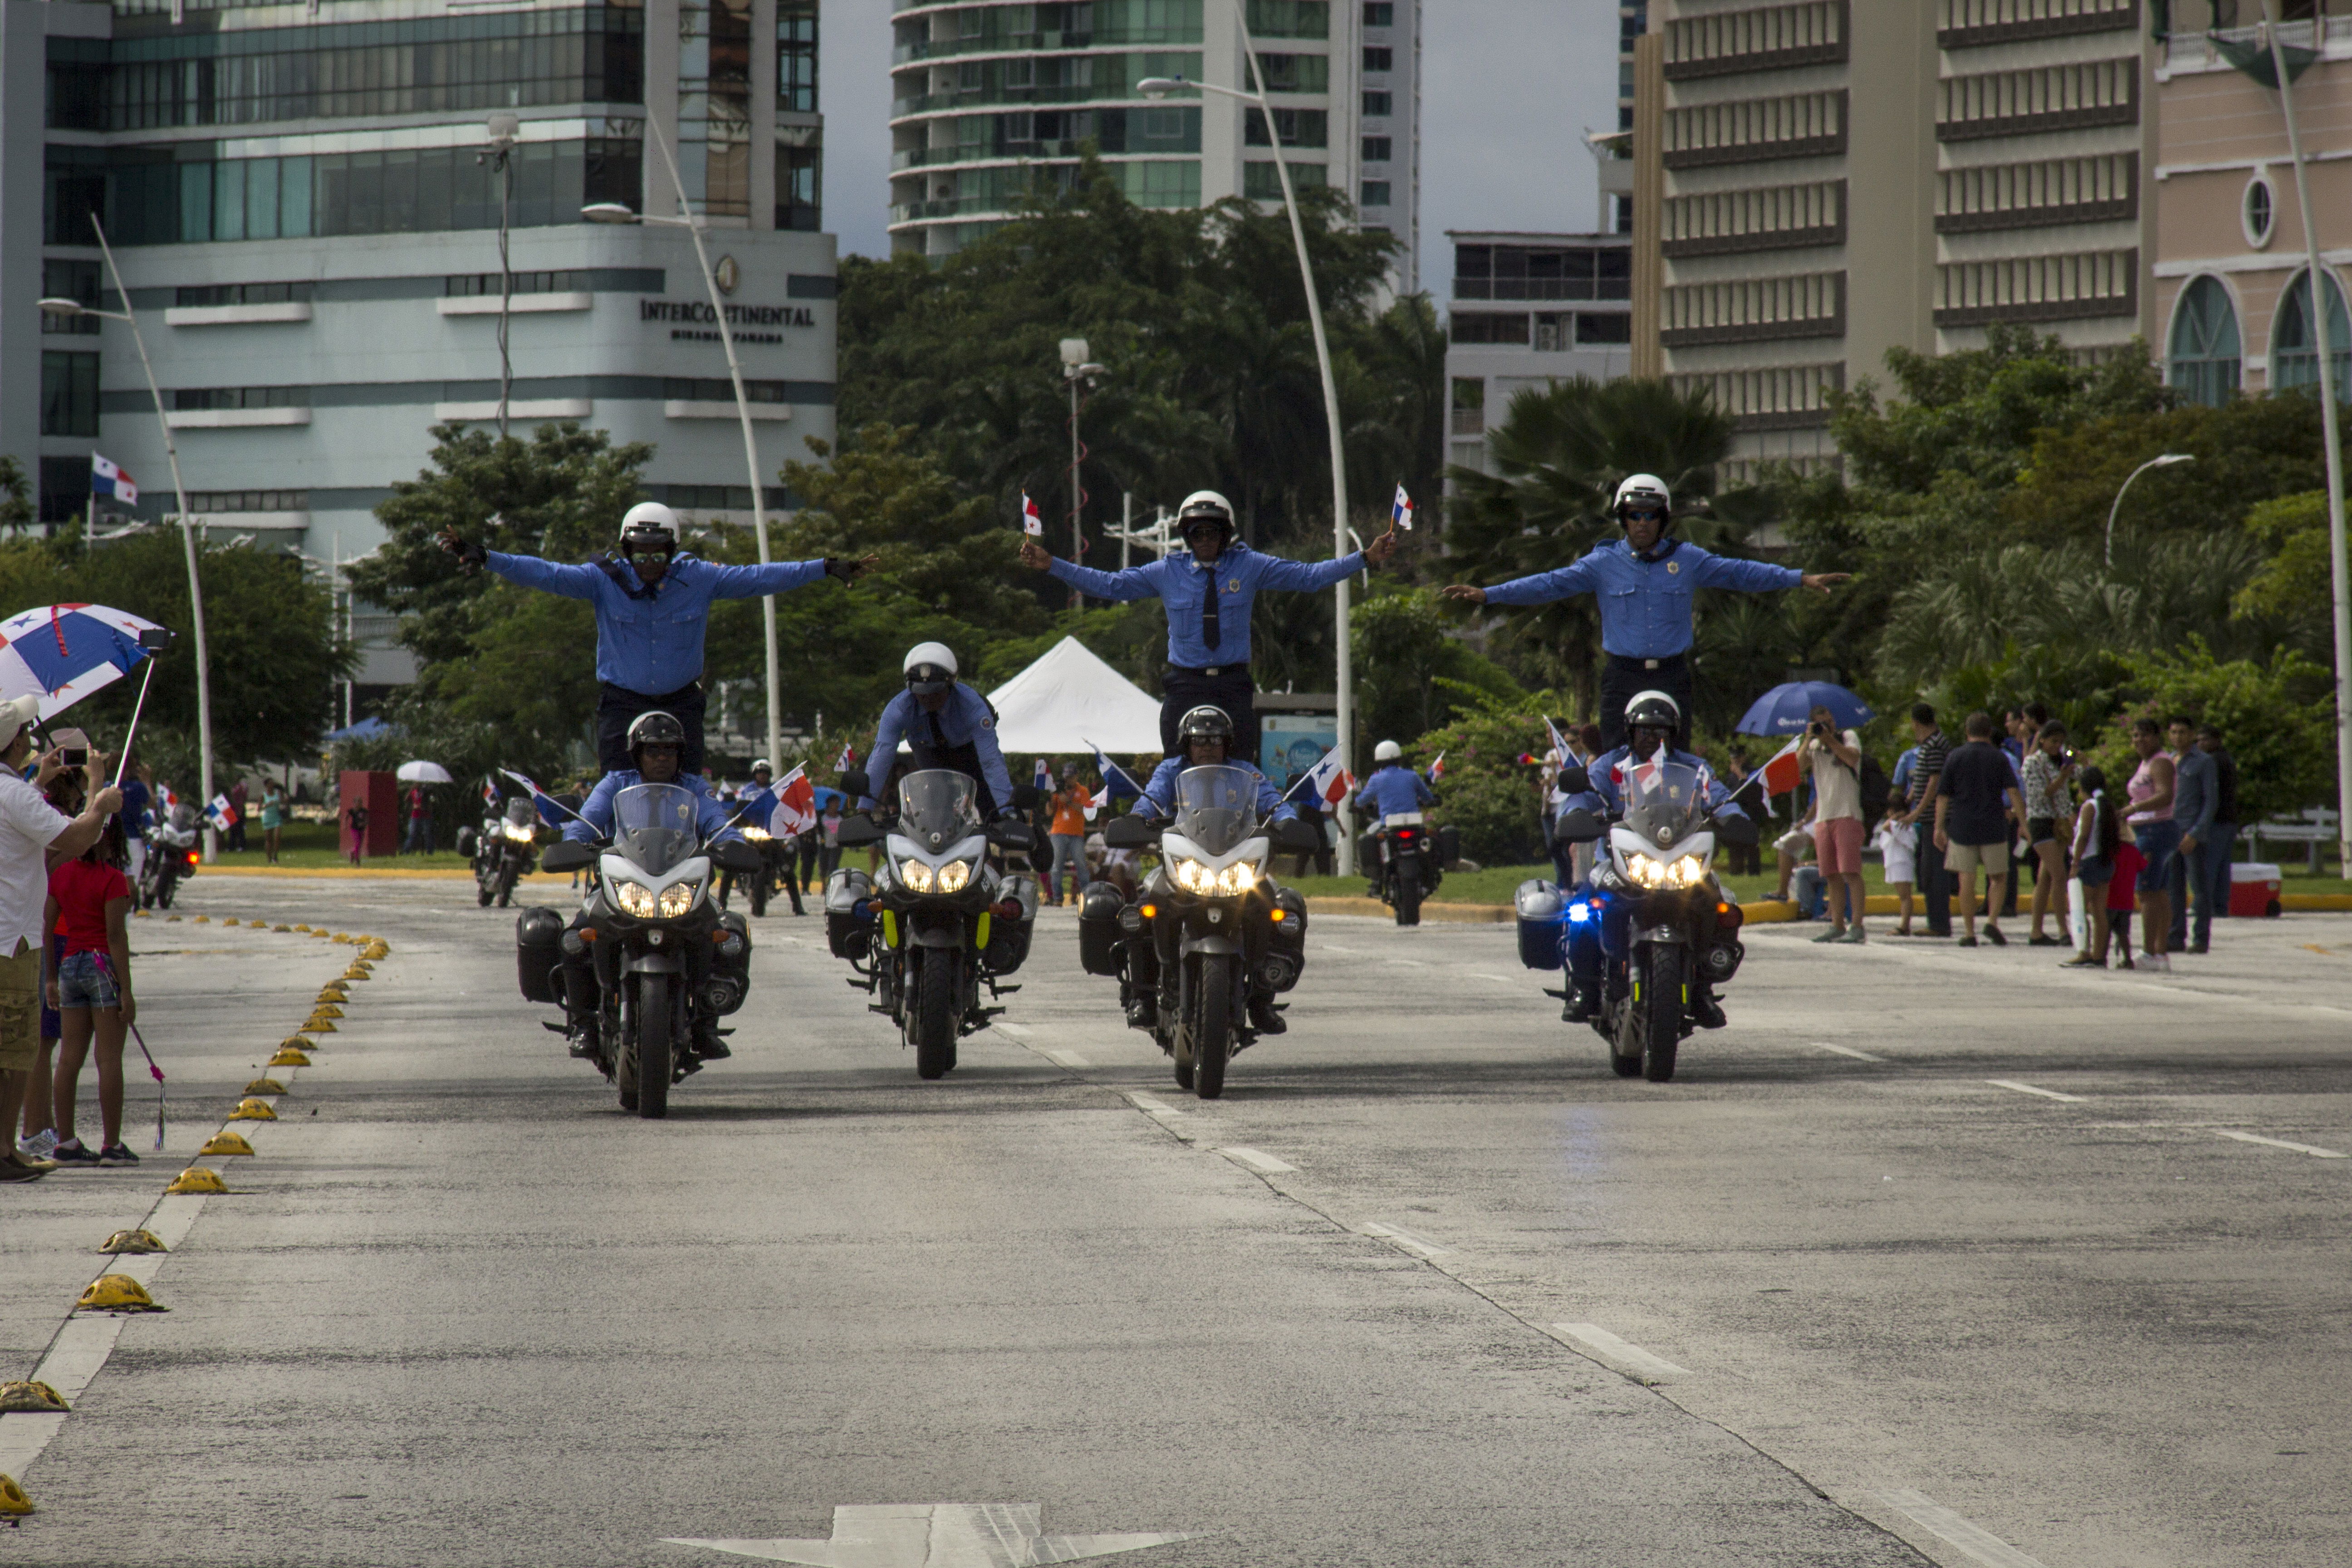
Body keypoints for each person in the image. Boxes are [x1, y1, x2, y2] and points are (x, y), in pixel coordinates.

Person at [441, 501, 876, 774]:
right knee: (615, 785)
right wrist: (487, 557)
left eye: (658, 554)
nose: (650, 563)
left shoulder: (700, 579)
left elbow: (759, 577)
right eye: (640, 554)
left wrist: (824, 567)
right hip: (622, 701)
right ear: (626, 551)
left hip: (681, 701)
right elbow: (545, 573)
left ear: (672, 551)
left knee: (689, 787)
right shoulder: (602, 580)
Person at [1441, 475, 1849, 749]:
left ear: (1662, 518)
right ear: (1623, 518)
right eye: (1634, 515)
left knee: (1680, 758)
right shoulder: (1601, 564)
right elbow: (1549, 583)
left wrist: (1798, 578)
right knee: (1615, 763)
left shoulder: (1688, 559)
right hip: (1622, 676)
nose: (1641, 524)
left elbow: (1740, 572)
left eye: (1650, 516)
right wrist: (1489, 594)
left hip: (1673, 672)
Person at [1021, 489, 1399, 757]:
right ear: (1186, 536)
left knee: (1243, 764)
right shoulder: (1166, 571)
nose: (1205, 539)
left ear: (1226, 534)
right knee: (1172, 761)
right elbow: (1109, 584)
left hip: (1233, 684)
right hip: (1184, 684)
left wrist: (1365, 557)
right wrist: (1051, 564)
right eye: (1197, 532)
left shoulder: (1249, 566)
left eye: (1213, 531)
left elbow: (1309, 576)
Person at [1556, 690, 1746, 1027]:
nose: (1652, 738)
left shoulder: (1694, 768)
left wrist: (1734, 817)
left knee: (1718, 902)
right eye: (1645, 730)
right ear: (1631, 731)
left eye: (1661, 731)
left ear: (1672, 733)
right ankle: (1584, 988)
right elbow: (1584, 795)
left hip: (1681, 857)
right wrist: (1575, 814)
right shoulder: (1612, 766)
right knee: (1583, 907)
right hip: (1623, 859)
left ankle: (1702, 988)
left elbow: (1719, 797)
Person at [0, 698, 123, 1184]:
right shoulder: (16, 796)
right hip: (14, 940)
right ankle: (4, 1150)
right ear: (14, 743)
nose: (33, 738)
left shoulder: (15, 792)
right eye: (26, 731)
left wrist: (38, 783)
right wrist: (98, 796)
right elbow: (75, 841)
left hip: (11, 936)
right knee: (14, 1052)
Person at [1122, 706, 1299, 1034]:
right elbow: (1152, 799)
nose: (1206, 746)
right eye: (1198, 739)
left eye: (1214, 739)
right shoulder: (1170, 770)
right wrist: (1138, 818)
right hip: (1186, 861)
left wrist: (1287, 820)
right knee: (1144, 906)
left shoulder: (1246, 772)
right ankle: (1142, 996)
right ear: (1185, 743)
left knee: (1281, 906)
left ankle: (1262, 998)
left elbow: (1272, 801)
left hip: (1235, 861)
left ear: (1227, 743)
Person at [44, 808, 136, 1167]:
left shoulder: (62, 875)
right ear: (110, 839)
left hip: (70, 965)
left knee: (68, 1059)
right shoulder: (114, 880)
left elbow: (49, 927)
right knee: (109, 1059)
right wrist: (126, 991)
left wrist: (51, 977)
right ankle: (111, 1144)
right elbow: (116, 936)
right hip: (102, 968)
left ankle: (66, 1141)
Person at [859, 643, 1018, 819]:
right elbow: (881, 758)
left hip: (970, 755)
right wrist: (864, 810)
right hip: (929, 756)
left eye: (936, 692)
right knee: (934, 817)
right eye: (920, 693)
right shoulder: (898, 710)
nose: (928, 698)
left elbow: (991, 761)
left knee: (992, 811)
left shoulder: (973, 707)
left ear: (951, 685)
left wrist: (1006, 809)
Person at [1932, 711, 2027, 948]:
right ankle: (1992, 921)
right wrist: (2023, 824)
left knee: (1966, 880)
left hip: (1962, 826)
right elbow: (2014, 792)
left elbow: (1943, 796)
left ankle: (1968, 931)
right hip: (1993, 824)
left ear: (1967, 732)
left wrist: (1939, 827)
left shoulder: (1955, 757)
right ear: (1989, 733)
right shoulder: (2000, 758)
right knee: (1998, 877)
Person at [1800, 704, 1868, 943]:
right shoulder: (1814, 745)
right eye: (1820, 722)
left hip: (1846, 813)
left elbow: (1852, 758)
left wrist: (1830, 740)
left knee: (1851, 871)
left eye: (1828, 720)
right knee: (1830, 874)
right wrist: (1808, 739)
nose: (1826, 725)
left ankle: (1857, 925)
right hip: (1824, 816)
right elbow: (1798, 767)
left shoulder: (1848, 737)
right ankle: (1837, 924)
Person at [2124, 716, 2179, 974]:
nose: (2139, 741)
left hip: (2156, 829)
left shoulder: (2160, 763)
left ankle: (2149, 951)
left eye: (2144, 735)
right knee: (2158, 892)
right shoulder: (2147, 763)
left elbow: (2165, 795)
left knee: (2146, 892)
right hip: (2151, 829)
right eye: (2135, 735)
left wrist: (2132, 808)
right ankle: (2160, 953)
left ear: (2157, 738)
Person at [1355, 739, 1438, 895]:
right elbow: (1427, 797)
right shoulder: (1412, 776)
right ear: (1399, 759)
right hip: (1414, 823)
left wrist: (1355, 806)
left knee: (1373, 842)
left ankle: (1377, 882)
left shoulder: (1376, 779)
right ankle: (1430, 878)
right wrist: (1432, 801)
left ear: (1378, 762)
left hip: (1389, 824)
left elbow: (1361, 801)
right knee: (1429, 843)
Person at [2165, 715, 2219, 955]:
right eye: (2174, 732)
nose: (2178, 737)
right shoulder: (2167, 761)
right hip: (2169, 832)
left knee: (2199, 888)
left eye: (2183, 732)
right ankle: (2175, 936)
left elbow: (2211, 801)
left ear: (2192, 735)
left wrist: (2196, 833)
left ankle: (2200, 938)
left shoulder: (2204, 762)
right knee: (2173, 888)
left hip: (2192, 832)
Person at [2021, 720, 2077, 946]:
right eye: (2053, 741)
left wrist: (2075, 759)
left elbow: (2079, 775)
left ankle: (2036, 931)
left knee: (2045, 879)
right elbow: (2041, 794)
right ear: (2042, 740)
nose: (2057, 746)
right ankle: (2064, 929)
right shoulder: (2032, 763)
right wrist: (2063, 777)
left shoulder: (2061, 761)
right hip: (2041, 822)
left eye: (2061, 743)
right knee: (2059, 874)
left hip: (2060, 822)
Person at [2062, 765, 2122, 969]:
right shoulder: (2106, 806)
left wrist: (2075, 862)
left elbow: (2083, 837)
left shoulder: (2089, 807)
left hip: (2089, 862)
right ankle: (2099, 955)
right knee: (2099, 912)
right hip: (2105, 862)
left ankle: (2083, 951)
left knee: (2079, 908)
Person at [1901, 705, 1954, 938]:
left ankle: (1939, 923)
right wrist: (1911, 796)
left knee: (1934, 872)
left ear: (1916, 722)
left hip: (1934, 817)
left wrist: (1917, 810)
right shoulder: (1930, 745)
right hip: (1928, 816)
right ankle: (1936, 920)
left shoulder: (1934, 745)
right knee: (1928, 871)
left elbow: (1935, 782)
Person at [2188, 724, 2239, 953]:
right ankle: (2220, 905)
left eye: (2203, 740)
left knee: (2208, 867)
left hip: (2217, 821)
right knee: (2221, 867)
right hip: (2228, 819)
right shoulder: (2226, 759)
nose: (2199, 745)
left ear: (2214, 740)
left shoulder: (2213, 762)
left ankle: (2206, 906)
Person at [1046, 765, 1090, 906]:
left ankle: (1086, 896)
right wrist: (1050, 798)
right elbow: (1049, 813)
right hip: (1058, 832)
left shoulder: (1083, 791)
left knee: (1081, 865)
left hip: (1076, 834)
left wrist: (1069, 802)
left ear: (1077, 776)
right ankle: (1058, 898)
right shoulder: (1058, 790)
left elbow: (1086, 809)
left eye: (1071, 777)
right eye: (1066, 777)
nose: (1068, 780)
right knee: (1057, 866)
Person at [402, 782, 432, 855]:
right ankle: (406, 851)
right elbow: (407, 800)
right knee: (412, 834)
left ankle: (429, 851)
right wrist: (413, 806)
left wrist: (425, 805)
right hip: (415, 815)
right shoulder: (413, 792)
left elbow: (429, 801)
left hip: (426, 815)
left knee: (427, 834)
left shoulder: (426, 791)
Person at [260, 779, 286, 864]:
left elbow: (283, 801)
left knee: (277, 836)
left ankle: (275, 856)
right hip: (268, 818)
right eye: (270, 784)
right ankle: (269, 858)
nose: (272, 785)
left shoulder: (278, 793)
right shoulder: (263, 795)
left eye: (273, 784)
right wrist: (267, 805)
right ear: (267, 785)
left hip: (277, 817)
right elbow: (259, 808)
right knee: (269, 839)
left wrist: (286, 800)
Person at [343, 793, 369, 865]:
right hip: (354, 830)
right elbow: (346, 817)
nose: (360, 804)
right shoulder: (353, 811)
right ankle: (357, 860)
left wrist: (364, 824)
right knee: (357, 843)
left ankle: (352, 852)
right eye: (358, 802)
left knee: (359, 845)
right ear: (354, 803)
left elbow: (367, 820)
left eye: (361, 802)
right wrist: (345, 825)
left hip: (362, 830)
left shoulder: (364, 811)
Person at [226, 778, 249, 853]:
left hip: (239, 809)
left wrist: (240, 809)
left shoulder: (242, 787)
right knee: (232, 829)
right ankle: (231, 846)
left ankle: (241, 846)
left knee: (240, 828)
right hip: (232, 810)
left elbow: (243, 798)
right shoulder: (232, 787)